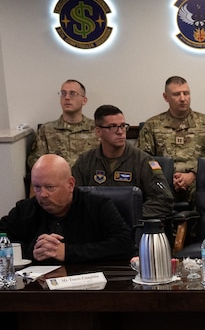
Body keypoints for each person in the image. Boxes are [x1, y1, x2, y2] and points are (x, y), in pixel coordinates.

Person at [0, 153, 131, 263]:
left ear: (70, 184)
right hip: (37, 287)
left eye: (50, 187)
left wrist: (67, 252)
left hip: (88, 286)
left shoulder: (98, 206)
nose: (42, 194)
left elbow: (125, 244)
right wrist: (33, 251)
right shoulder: (24, 210)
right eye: (37, 187)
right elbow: (2, 239)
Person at [71, 104, 174, 221]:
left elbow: (164, 201)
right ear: (98, 131)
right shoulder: (85, 161)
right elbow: (73, 198)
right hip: (95, 227)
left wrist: (129, 214)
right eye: (112, 127)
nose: (120, 132)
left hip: (131, 227)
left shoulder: (144, 161)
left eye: (123, 126)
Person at [136, 76, 205, 204]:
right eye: (176, 94)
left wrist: (193, 174)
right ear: (165, 97)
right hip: (162, 181)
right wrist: (164, 176)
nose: (183, 99)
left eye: (186, 93)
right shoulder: (152, 125)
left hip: (199, 181)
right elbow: (143, 158)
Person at [26, 79, 99, 171]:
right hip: (56, 181)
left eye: (72, 93)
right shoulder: (46, 130)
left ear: (84, 100)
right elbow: (35, 160)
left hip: (88, 181)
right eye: (63, 93)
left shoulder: (97, 129)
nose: (67, 97)